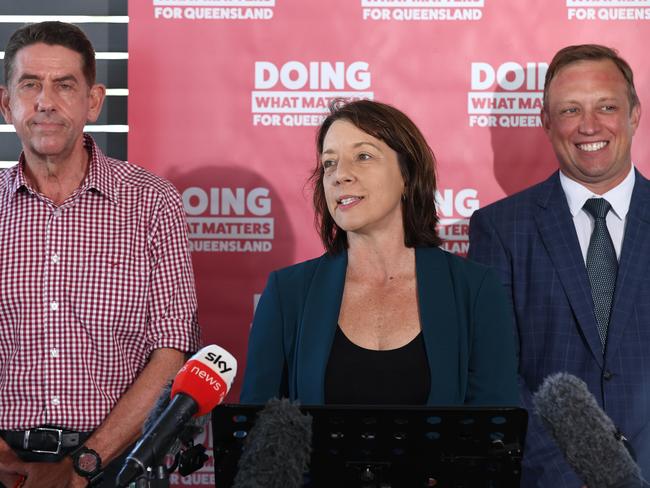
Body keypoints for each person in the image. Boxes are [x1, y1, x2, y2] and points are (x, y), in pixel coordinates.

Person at [0, 22, 201, 487]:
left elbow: (172, 351)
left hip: (119, 464)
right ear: (7, 103)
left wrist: (83, 465)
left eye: (64, 85)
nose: (45, 101)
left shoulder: (152, 202)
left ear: (93, 100)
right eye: (30, 85)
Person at [241, 99, 518, 408]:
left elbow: (495, 436)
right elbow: (259, 436)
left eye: (362, 156)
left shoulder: (475, 289)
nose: (339, 175)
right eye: (329, 162)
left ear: (407, 176)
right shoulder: (287, 293)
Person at [468, 44, 649, 487]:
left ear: (634, 114)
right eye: (570, 110)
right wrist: (565, 477)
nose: (590, 125)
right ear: (545, 122)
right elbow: (494, 375)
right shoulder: (499, 229)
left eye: (606, 106)